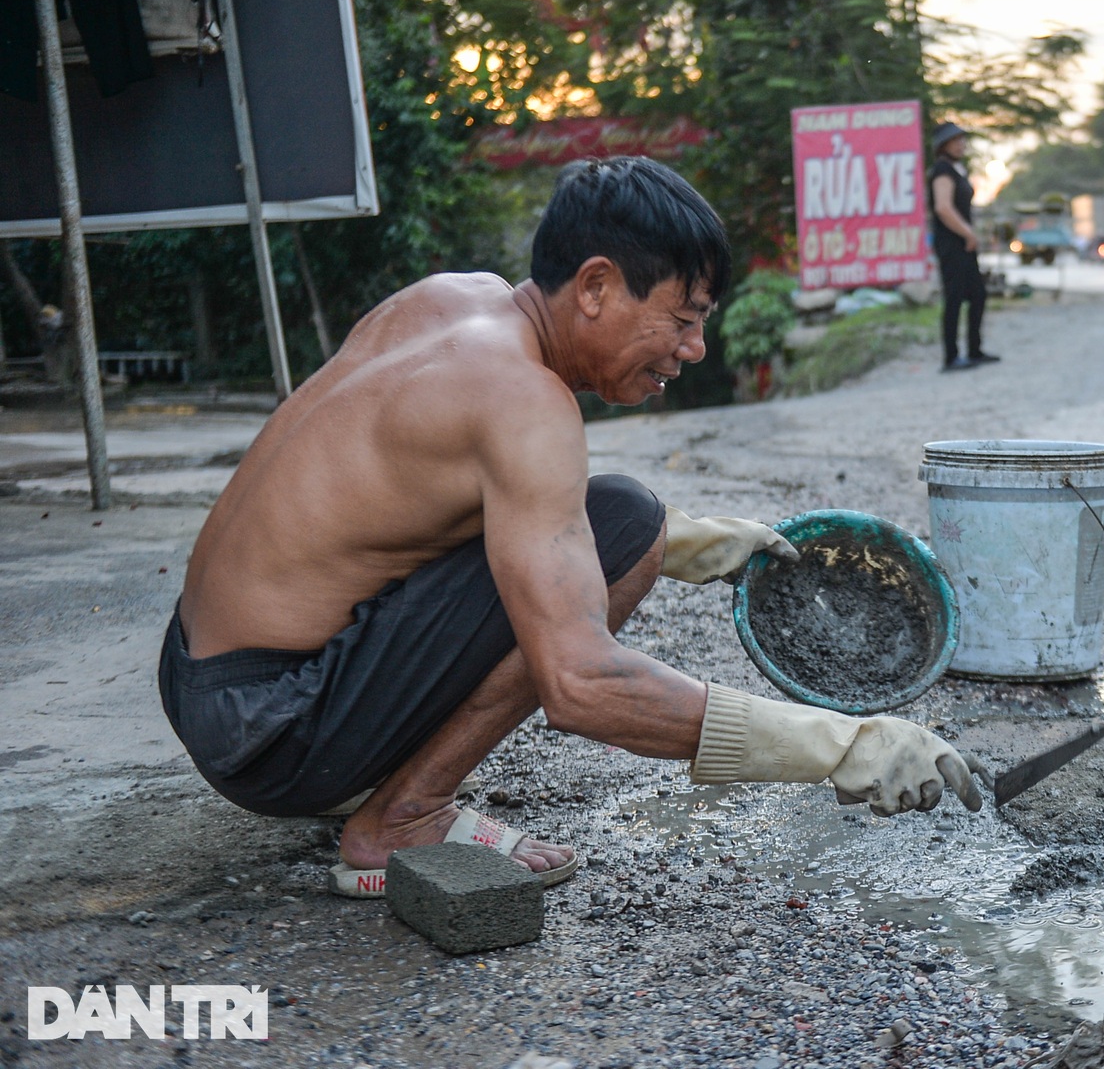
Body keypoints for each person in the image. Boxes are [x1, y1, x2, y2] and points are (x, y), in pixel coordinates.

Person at [162, 156, 982, 899]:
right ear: (594, 286)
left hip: (204, 677)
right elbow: (582, 685)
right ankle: (400, 820)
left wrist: (692, 544)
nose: (695, 348)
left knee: (624, 516)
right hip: (270, 728)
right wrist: (841, 746)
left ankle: (371, 773)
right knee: (619, 533)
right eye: (682, 318)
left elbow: (412, 505)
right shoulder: (525, 402)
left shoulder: (450, 300)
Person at [928, 121, 999, 372]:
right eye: (955, 140)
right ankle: (951, 356)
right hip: (952, 243)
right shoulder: (943, 171)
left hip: (964, 243)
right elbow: (943, 208)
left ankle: (974, 350)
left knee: (977, 294)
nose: (961, 144)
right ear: (943, 145)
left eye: (961, 139)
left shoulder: (958, 169)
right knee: (955, 297)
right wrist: (968, 233)